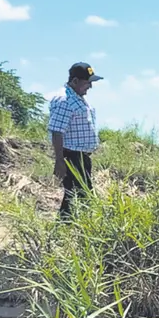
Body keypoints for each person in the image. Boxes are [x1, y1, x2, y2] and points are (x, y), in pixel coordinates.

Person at [48, 62, 103, 219]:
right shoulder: (64, 100)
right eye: (88, 82)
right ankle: (69, 230)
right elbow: (57, 131)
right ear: (75, 81)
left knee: (75, 195)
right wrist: (59, 161)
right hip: (71, 156)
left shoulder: (77, 98)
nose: (90, 87)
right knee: (82, 195)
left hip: (81, 156)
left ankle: (65, 230)